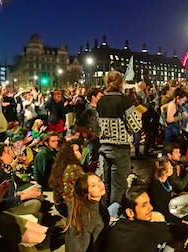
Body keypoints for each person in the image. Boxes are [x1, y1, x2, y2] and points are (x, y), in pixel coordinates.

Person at [97, 70, 142, 206]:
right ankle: (114, 217)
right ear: (121, 83)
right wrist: (138, 117)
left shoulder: (101, 101)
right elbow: (135, 126)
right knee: (119, 185)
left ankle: (104, 213)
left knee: (105, 184)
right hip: (120, 149)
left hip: (104, 147)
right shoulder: (124, 101)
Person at [103, 186, 174, 251]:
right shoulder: (151, 230)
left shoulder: (116, 227)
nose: (151, 208)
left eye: (149, 203)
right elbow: (170, 235)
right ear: (130, 212)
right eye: (144, 205)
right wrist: (160, 219)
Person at [0, 143, 42, 219]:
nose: (12, 153)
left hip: (13, 199)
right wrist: (22, 197)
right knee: (36, 203)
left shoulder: (6, 168)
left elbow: (9, 191)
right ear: (0, 157)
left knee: (37, 191)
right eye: (7, 152)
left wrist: (18, 194)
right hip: (5, 210)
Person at [65, 173, 108, 252]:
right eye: (93, 185)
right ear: (86, 193)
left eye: (99, 181)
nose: (100, 185)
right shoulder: (90, 217)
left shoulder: (80, 205)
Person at [48, 142, 85, 217]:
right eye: (77, 150)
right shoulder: (73, 168)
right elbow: (70, 195)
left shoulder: (61, 165)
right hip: (68, 207)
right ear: (69, 153)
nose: (80, 153)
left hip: (60, 205)